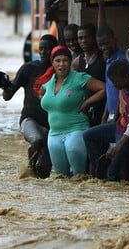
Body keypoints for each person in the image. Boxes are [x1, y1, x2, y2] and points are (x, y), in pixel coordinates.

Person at [0, 34, 58, 178]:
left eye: (47, 49)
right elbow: (8, 96)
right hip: (30, 120)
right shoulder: (28, 68)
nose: (42, 52)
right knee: (37, 140)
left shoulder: (60, 71)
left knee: (43, 172)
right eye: (40, 49)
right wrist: (4, 86)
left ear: (55, 50)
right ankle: (29, 168)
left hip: (53, 125)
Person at [35, 46, 105, 177]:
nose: (62, 64)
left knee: (78, 177)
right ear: (53, 63)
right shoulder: (48, 82)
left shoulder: (79, 78)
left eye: (65, 60)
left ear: (70, 62)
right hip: (54, 134)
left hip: (76, 130)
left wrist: (87, 103)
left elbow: (103, 88)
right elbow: (41, 92)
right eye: (58, 61)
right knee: (61, 179)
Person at [83, 60, 129, 181]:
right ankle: (100, 170)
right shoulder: (125, 85)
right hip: (118, 126)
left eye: (115, 81)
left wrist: (118, 146)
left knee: (112, 174)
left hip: (127, 137)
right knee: (88, 135)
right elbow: (120, 102)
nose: (114, 85)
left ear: (125, 77)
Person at [72, 23, 106, 126]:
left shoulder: (104, 58)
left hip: (104, 106)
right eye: (80, 38)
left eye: (87, 37)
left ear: (94, 37)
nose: (83, 41)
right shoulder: (77, 62)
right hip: (86, 111)